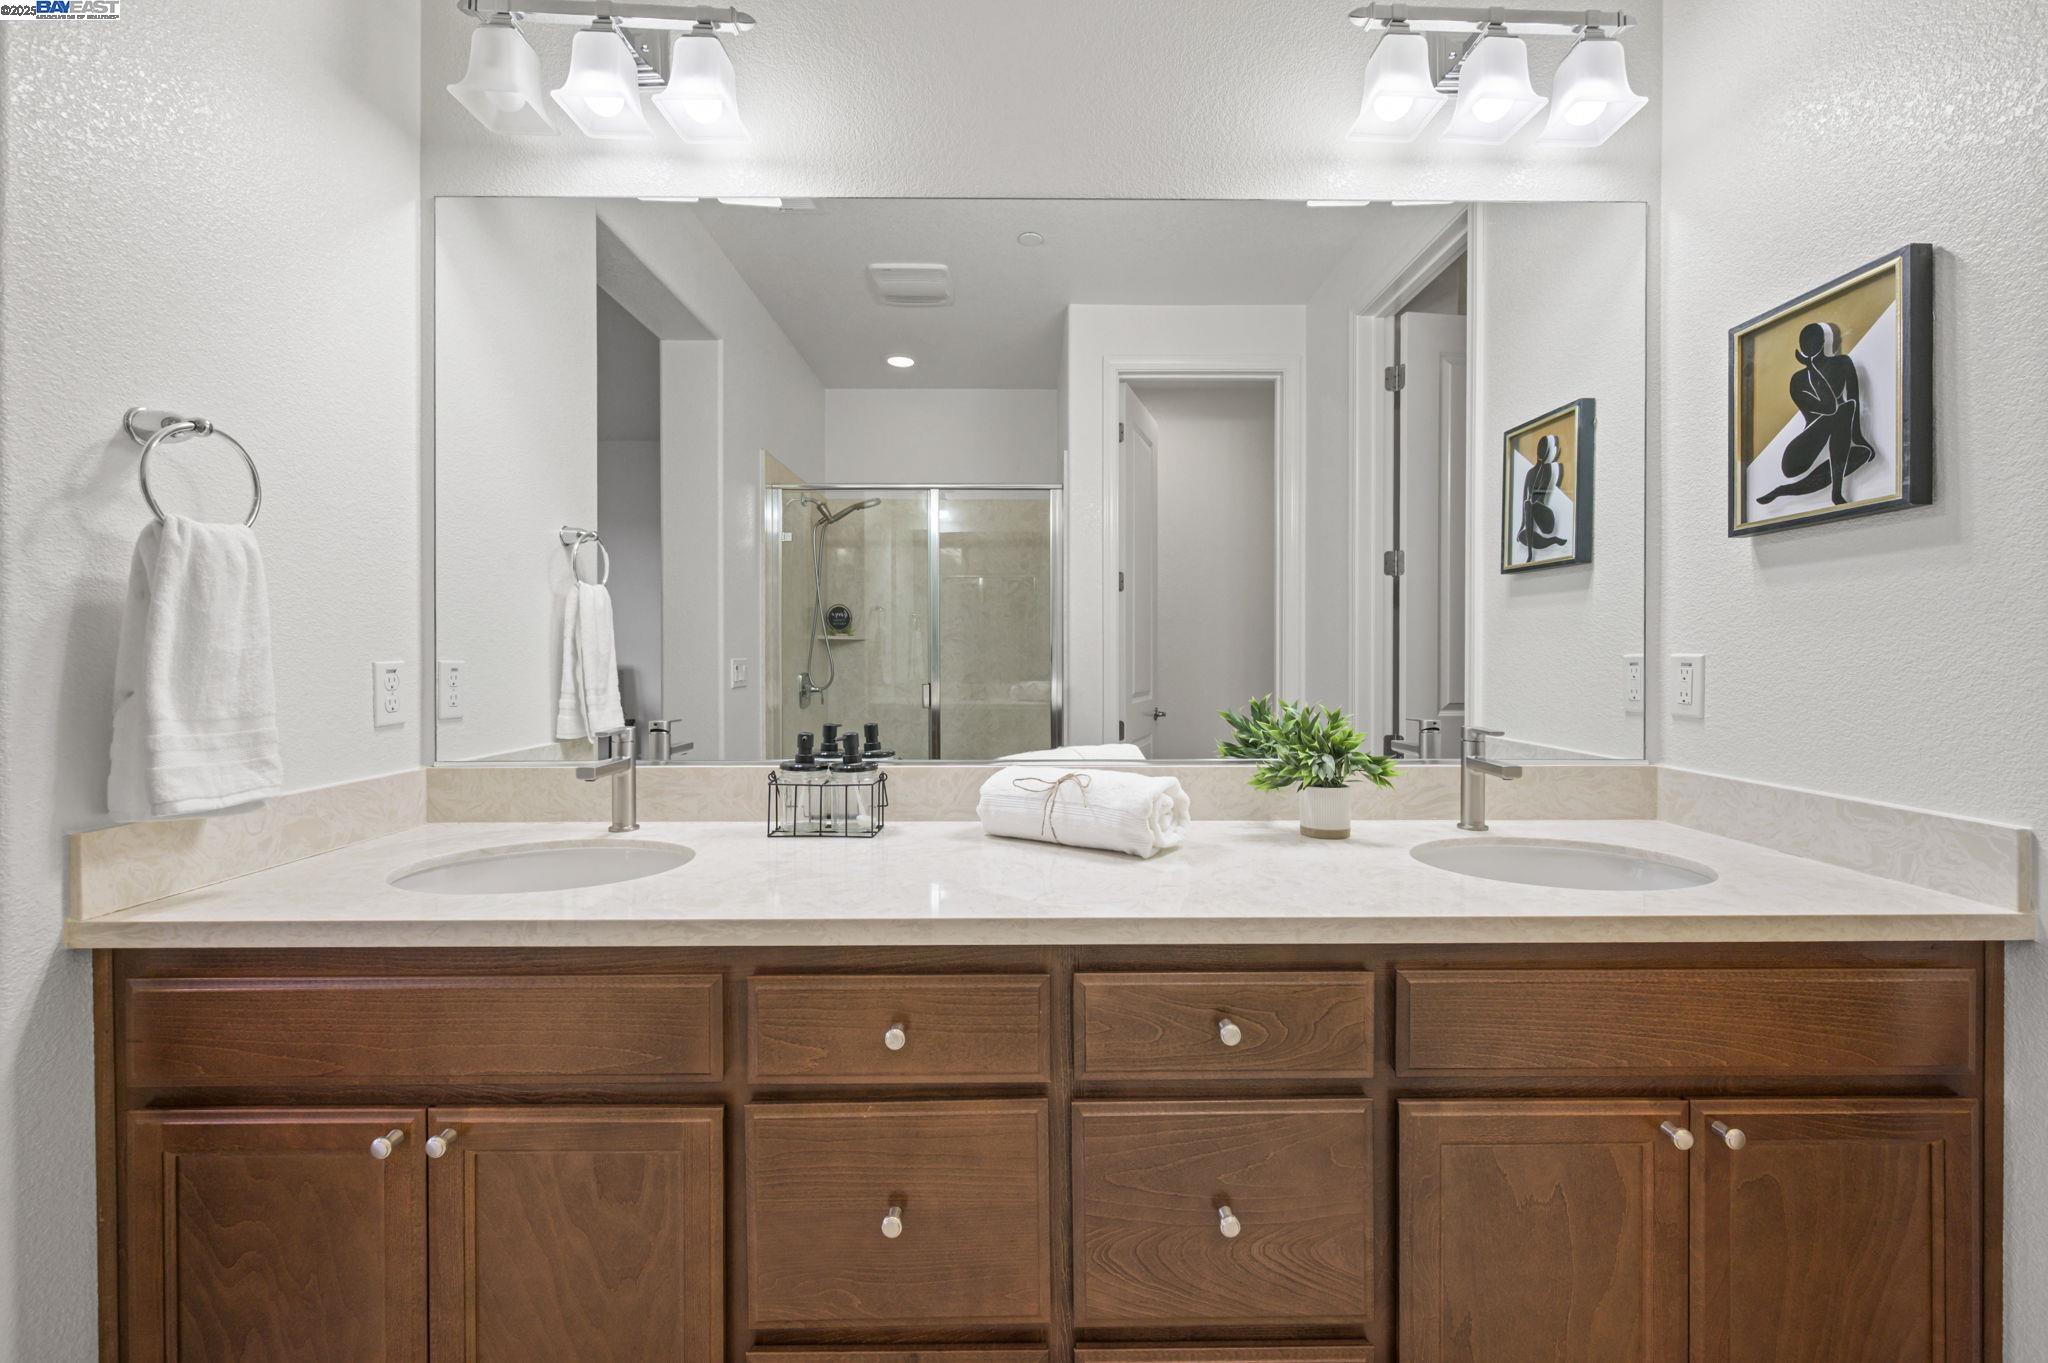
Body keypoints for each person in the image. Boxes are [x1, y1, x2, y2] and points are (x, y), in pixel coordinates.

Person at [1757, 320, 1875, 506]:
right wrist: (1811, 368)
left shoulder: (1843, 363)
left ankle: (1787, 490)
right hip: (1799, 455)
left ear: (1822, 342)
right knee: (1843, 410)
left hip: (1834, 447)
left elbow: (1855, 403)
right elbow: (1829, 408)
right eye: (1806, 343)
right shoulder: (1798, 380)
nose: (1810, 346)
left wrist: (1859, 438)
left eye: (1814, 341)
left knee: (1862, 452)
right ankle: (1836, 492)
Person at [1516, 434, 1568, 562]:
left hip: (1546, 519)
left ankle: (1531, 552)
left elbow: (1538, 498)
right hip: (1534, 517)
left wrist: (1531, 504)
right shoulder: (1530, 473)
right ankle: (1550, 542)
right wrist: (1521, 527)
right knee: (1523, 535)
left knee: (1531, 504)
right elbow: (1525, 501)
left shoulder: (1550, 468)